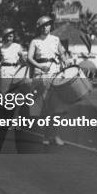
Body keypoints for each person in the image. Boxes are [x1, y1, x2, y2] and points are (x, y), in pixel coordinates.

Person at [27, 15, 67, 146]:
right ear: (39, 27)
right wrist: (39, 66)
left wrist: (65, 63)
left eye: (48, 25)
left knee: (56, 108)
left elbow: (62, 54)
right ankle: (45, 135)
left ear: (51, 26)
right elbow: (29, 58)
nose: (46, 28)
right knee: (44, 109)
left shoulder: (56, 39)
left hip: (55, 75)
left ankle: (55, 135)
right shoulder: (35, 41)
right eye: (43, 26)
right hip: (40, 76)